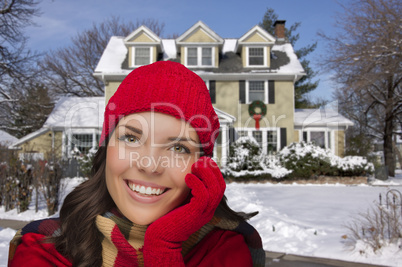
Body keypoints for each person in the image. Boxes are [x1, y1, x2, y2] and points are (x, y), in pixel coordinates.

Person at [8, 61, 265, 266]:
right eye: (131, 138)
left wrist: (163, 248)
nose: (150, 165)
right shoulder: (45, 246)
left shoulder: (224, 249)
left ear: (202, 166)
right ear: (106, 148)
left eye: (178, 148)